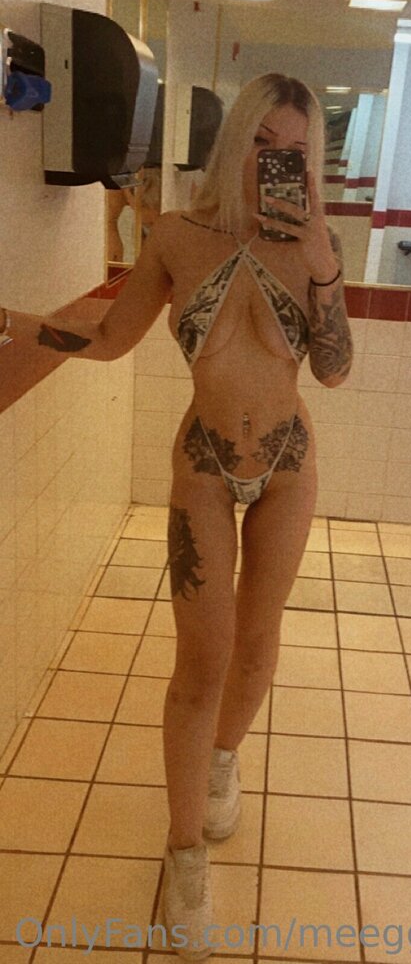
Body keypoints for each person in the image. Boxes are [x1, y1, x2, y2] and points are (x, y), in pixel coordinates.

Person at [0, 72, 353, 960]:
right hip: (202, 467)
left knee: (258, 644)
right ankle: (184, 850)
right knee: (202, 661)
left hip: (288, 467)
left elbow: (335, 370)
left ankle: (223, 758)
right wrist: (11, 321)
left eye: (296, 151)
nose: (277, 162)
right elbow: (110, 339)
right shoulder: (175, 237)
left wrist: (321, 264)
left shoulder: (317, 246)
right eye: (263, 143)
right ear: (236, 143)